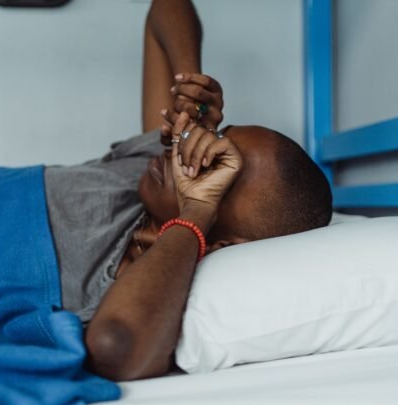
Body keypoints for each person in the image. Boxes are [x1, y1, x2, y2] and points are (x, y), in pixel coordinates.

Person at [48, 0, 332, 381]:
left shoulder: (129, 282)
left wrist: (195, 213)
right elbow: (167, 6)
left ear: (223, 243)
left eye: (211, 166)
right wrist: (190, 88)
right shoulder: (156, 166)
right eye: (215, 139)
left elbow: (116, 348)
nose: (184, 148)